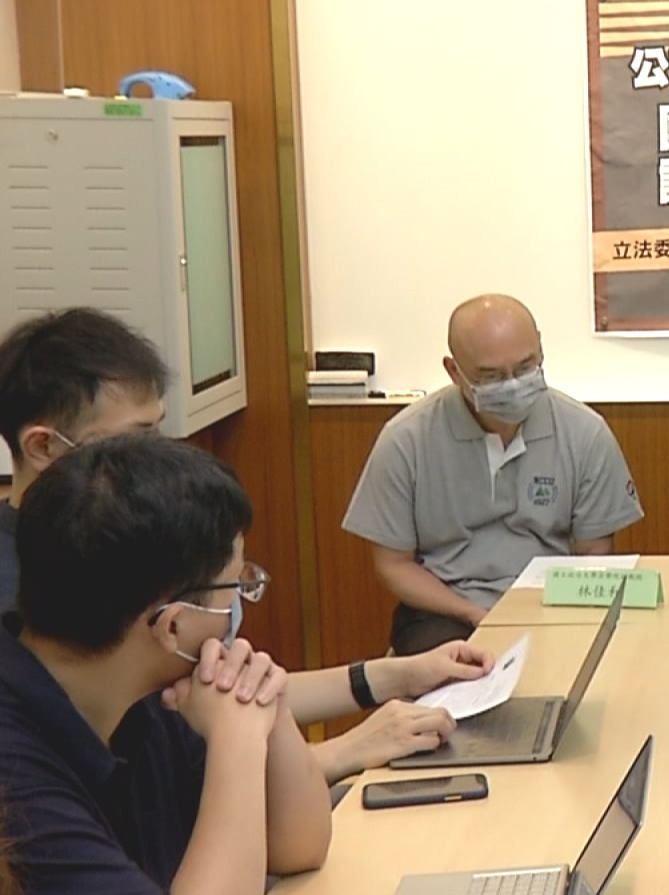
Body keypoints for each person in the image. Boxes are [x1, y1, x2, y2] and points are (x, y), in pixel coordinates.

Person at [0, 308, 494, 781]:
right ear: (42, 446)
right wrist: (343, 751)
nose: (157, 455)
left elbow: (233, 693)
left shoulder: (133, 537)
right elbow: (191, 749)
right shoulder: (37, 599)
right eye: (137, 437)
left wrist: (397, 677)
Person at [0, 435, 332, 895]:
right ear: (172, 625)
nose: (241, 603)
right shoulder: (15, 782)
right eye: (236, 585)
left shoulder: (149, 684)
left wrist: (264, 706)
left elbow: (299, 843)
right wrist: (237, 741)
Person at [344, 294, 643, 654]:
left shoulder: (584, 432)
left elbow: (594, 552)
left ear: (541, 350)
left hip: (552, 603)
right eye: (492, 376)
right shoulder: (406, 440)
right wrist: (471, 613)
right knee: (453, 674)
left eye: (525, 368)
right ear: (454, 371)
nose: (512, 385)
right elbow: (393, 565)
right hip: (445, 608)